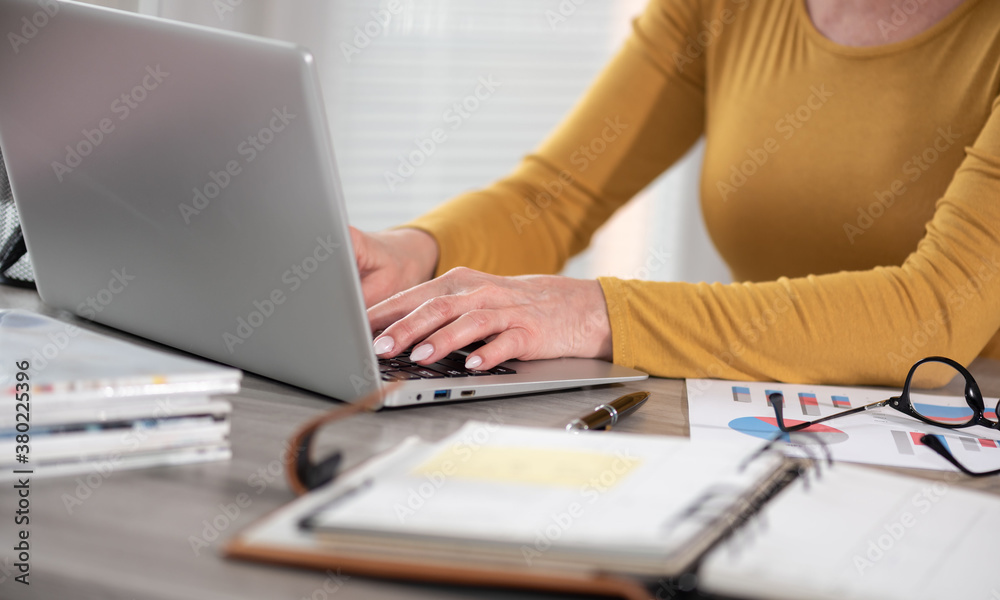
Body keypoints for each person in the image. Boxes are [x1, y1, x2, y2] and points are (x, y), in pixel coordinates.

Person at [351, 0, 1000, 388]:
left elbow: (933, 319)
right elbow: (562, 192)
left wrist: (593, 312)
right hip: (768, 428)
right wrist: (413, 252)